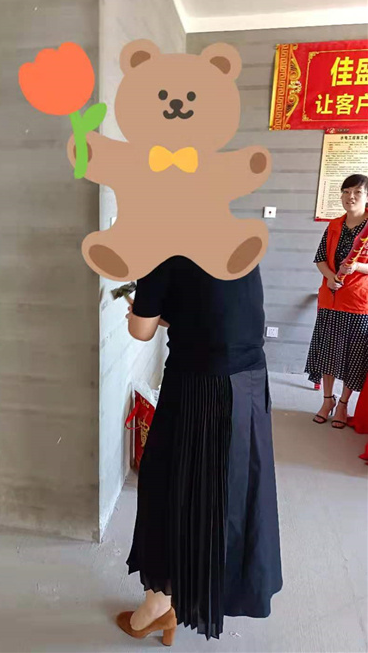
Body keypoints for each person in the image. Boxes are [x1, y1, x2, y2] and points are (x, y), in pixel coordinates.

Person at [116, 256, 283, 644]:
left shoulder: (161, 251)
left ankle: (158, 606)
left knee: (167, 489)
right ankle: (183, 598)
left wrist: (142, 314)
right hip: (249, 384)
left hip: (198, 387)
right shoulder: (240, 239)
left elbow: (140, 331)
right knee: (233, 491)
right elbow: (221, 311)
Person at [306, 174, 368, 428]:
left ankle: (343, 404)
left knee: (353, 358)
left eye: (357, 192)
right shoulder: (334, 225)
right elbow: (320, 258)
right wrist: (331, 278)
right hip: (330, 299)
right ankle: (327, 400)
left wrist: (358, 267)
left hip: (358, 303)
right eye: (346, 191)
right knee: (327, 354)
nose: (350, 197)